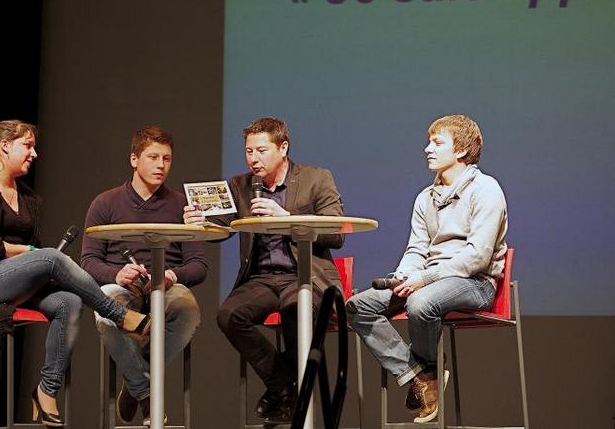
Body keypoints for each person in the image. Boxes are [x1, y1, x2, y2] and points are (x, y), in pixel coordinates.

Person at [0, 120, 149, 428]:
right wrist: (31, 254)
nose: (35, 153)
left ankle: (45, 390)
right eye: (27, 146)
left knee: (69, 301)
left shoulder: (25, 196)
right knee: (52, 257)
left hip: (15, 284)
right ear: (4, 146)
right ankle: (119, 316)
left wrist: (35, 258)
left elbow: (32, 250)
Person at [346, 114, 508, 423]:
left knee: (421, 303)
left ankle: (425, 371)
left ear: (460, 151)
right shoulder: (425, 198)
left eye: (436, 143)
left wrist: (423, 279)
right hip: (428, 278)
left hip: (474, 281)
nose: (427, 149)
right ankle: (420, 375)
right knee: (358, 306)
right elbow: (417, 249)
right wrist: (405, 276)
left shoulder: (487, 189)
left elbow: (477, 256)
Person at [183, 117, 344, 423]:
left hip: (305, 275)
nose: (253, 159)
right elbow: (222, 227)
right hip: (262, 279)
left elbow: (336, 234)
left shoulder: (316, 178)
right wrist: (199, 221)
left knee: (295, 307)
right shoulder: (241, 185)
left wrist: (286, 218)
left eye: (261, 150)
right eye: (248, 152)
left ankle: (287, 390)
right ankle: (285, 383)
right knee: (229, 315)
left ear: (283, 148)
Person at [81, 126, 207, 427]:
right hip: (122, 283)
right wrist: (117, 273)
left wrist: (171, 275)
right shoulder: (105, 202)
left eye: (167, 158)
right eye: (153, 157)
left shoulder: (182, 206)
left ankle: (135, 378)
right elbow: (87, 262)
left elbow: (199, 265)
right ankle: (147, 393)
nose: (161, 165)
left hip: (165, 284)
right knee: (107, 310)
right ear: (134, 159)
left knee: (188, 310)